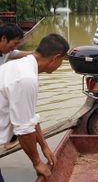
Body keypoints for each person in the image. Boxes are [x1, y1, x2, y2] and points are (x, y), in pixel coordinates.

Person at [0, 33, 69, 180]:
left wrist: (44, 146)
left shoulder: (19, 66)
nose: (60, 64)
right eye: (62, 60)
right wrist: (37, 162)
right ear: (55, 58)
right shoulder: (26, 79)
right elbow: (24, 129)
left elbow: (29, 116)